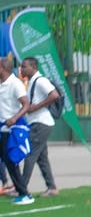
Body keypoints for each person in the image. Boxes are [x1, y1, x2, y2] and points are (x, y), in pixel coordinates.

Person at [21, 57, 60, 197]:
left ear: (33, 67)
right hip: (38, 122)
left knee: (30, 155)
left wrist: (35, 107)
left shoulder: (40, 81)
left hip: (41, 123)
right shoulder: (31, 82)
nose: (21, 69)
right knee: (41, 157)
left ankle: (22, 188)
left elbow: (54, 95)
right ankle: (52, 187)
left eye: (24, 66)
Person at [0, 58, 32, 205]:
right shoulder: (2, 84)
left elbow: (26, 105)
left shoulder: (15, 84)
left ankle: (24, 193)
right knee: (8, 162)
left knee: (11, 161)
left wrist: (14, 118)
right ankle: (20, 191)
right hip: (2, 128)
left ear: (2, 68)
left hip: (10, 129)